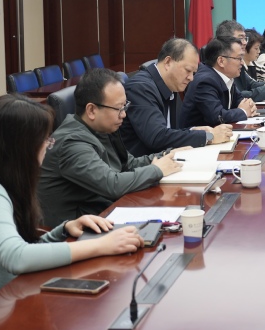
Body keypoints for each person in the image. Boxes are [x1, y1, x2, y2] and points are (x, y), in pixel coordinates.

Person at [0, 94, 144, 315]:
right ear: (21, 147)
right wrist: (101, 245)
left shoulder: (1, 181)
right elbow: (17, 257)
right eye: (45, 141)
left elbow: (21, 250)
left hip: (8, 300)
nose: (48, 147)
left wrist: (63, 231)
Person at [38, 68, 185, 226]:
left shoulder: (101, 128)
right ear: (92, 110)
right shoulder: (71, 143)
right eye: (119, 108)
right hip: (75, 230)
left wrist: (167, 155)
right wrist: (157, 170)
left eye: (125, 106)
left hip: (101, 214)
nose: (124, 114)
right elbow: (112, 184)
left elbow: (128, 164)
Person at [118, 38, 232, 156]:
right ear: (168, 62)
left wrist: (193, 131)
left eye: (193, 73)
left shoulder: (170, 84)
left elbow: (168, 131)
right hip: (144, 163)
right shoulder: (141, 88)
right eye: (188, 70)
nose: (191, 78)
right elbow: (156, 137)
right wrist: (208, 136)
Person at [181, 37, 258, 128]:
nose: (242, 63)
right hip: (199, 136)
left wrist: (249, 106)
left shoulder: (226, 77)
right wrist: (244, 111)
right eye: (239, 58)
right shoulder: (205, 81)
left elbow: (240, 100)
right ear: (221, 61)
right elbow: (217, 117)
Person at [215, 21, 265, 100]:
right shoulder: (219, 64)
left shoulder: (237, 61)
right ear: (225, 40)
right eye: (241, 38)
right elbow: (238, 95)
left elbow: (251, 84)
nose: (245, 42)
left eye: (245, 38)